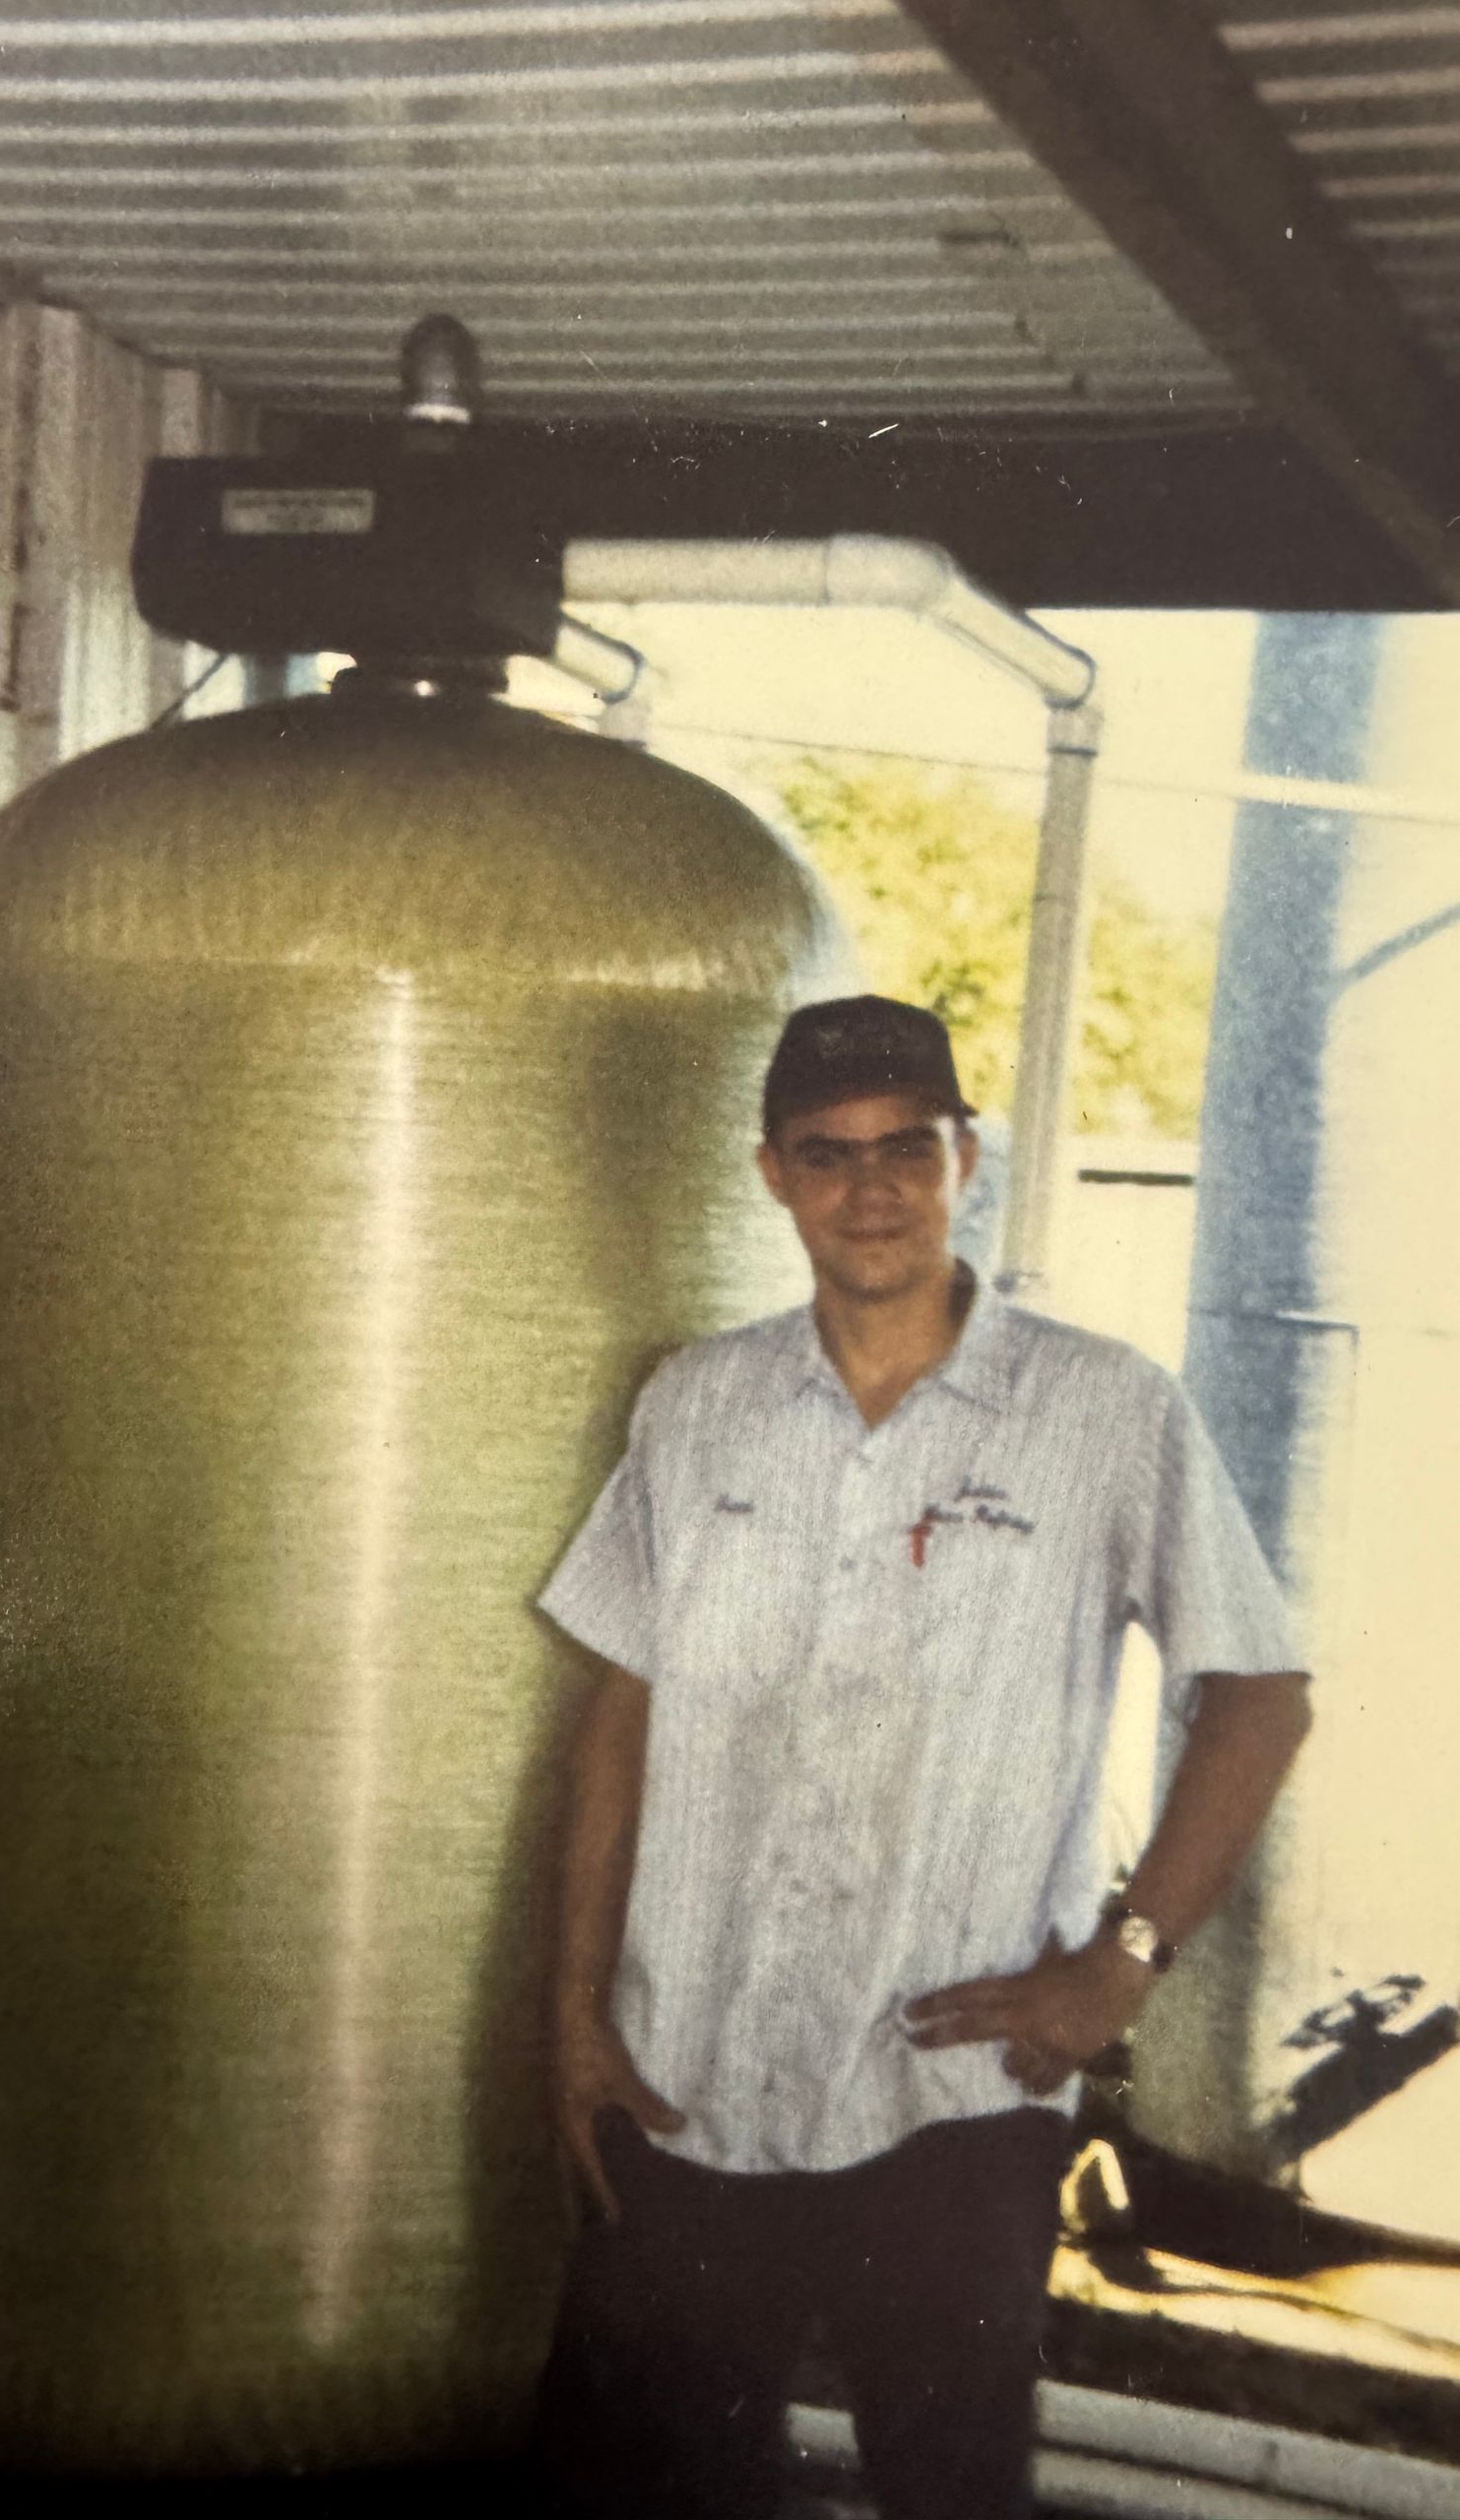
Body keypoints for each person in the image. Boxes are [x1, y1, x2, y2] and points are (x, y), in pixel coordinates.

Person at [531, 993, 1310, 2520]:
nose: (870, 1188)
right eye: (828, 1155)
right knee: (644, 2487)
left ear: (968, 1157)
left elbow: (1260, 1693)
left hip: (953, 2092)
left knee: (947, 2490)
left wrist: (1124, 1962)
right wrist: (571, 2014)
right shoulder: (695, 1405)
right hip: (690, 2070)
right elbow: (621, 1705)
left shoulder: (1103, 1410)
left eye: (908, 1149)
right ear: (772, 1174)